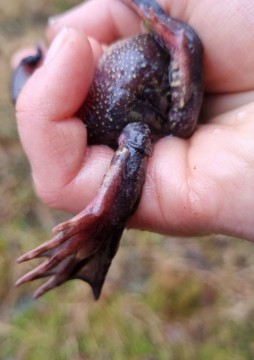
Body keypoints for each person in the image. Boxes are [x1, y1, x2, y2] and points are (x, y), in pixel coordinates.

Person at [13, 0, 254, 241]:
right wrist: (104, 214)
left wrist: (103, 213)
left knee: (183, 43)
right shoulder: (114, 132)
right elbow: (138, 137)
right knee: (182, 44)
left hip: (169, 101)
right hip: (162, 113)